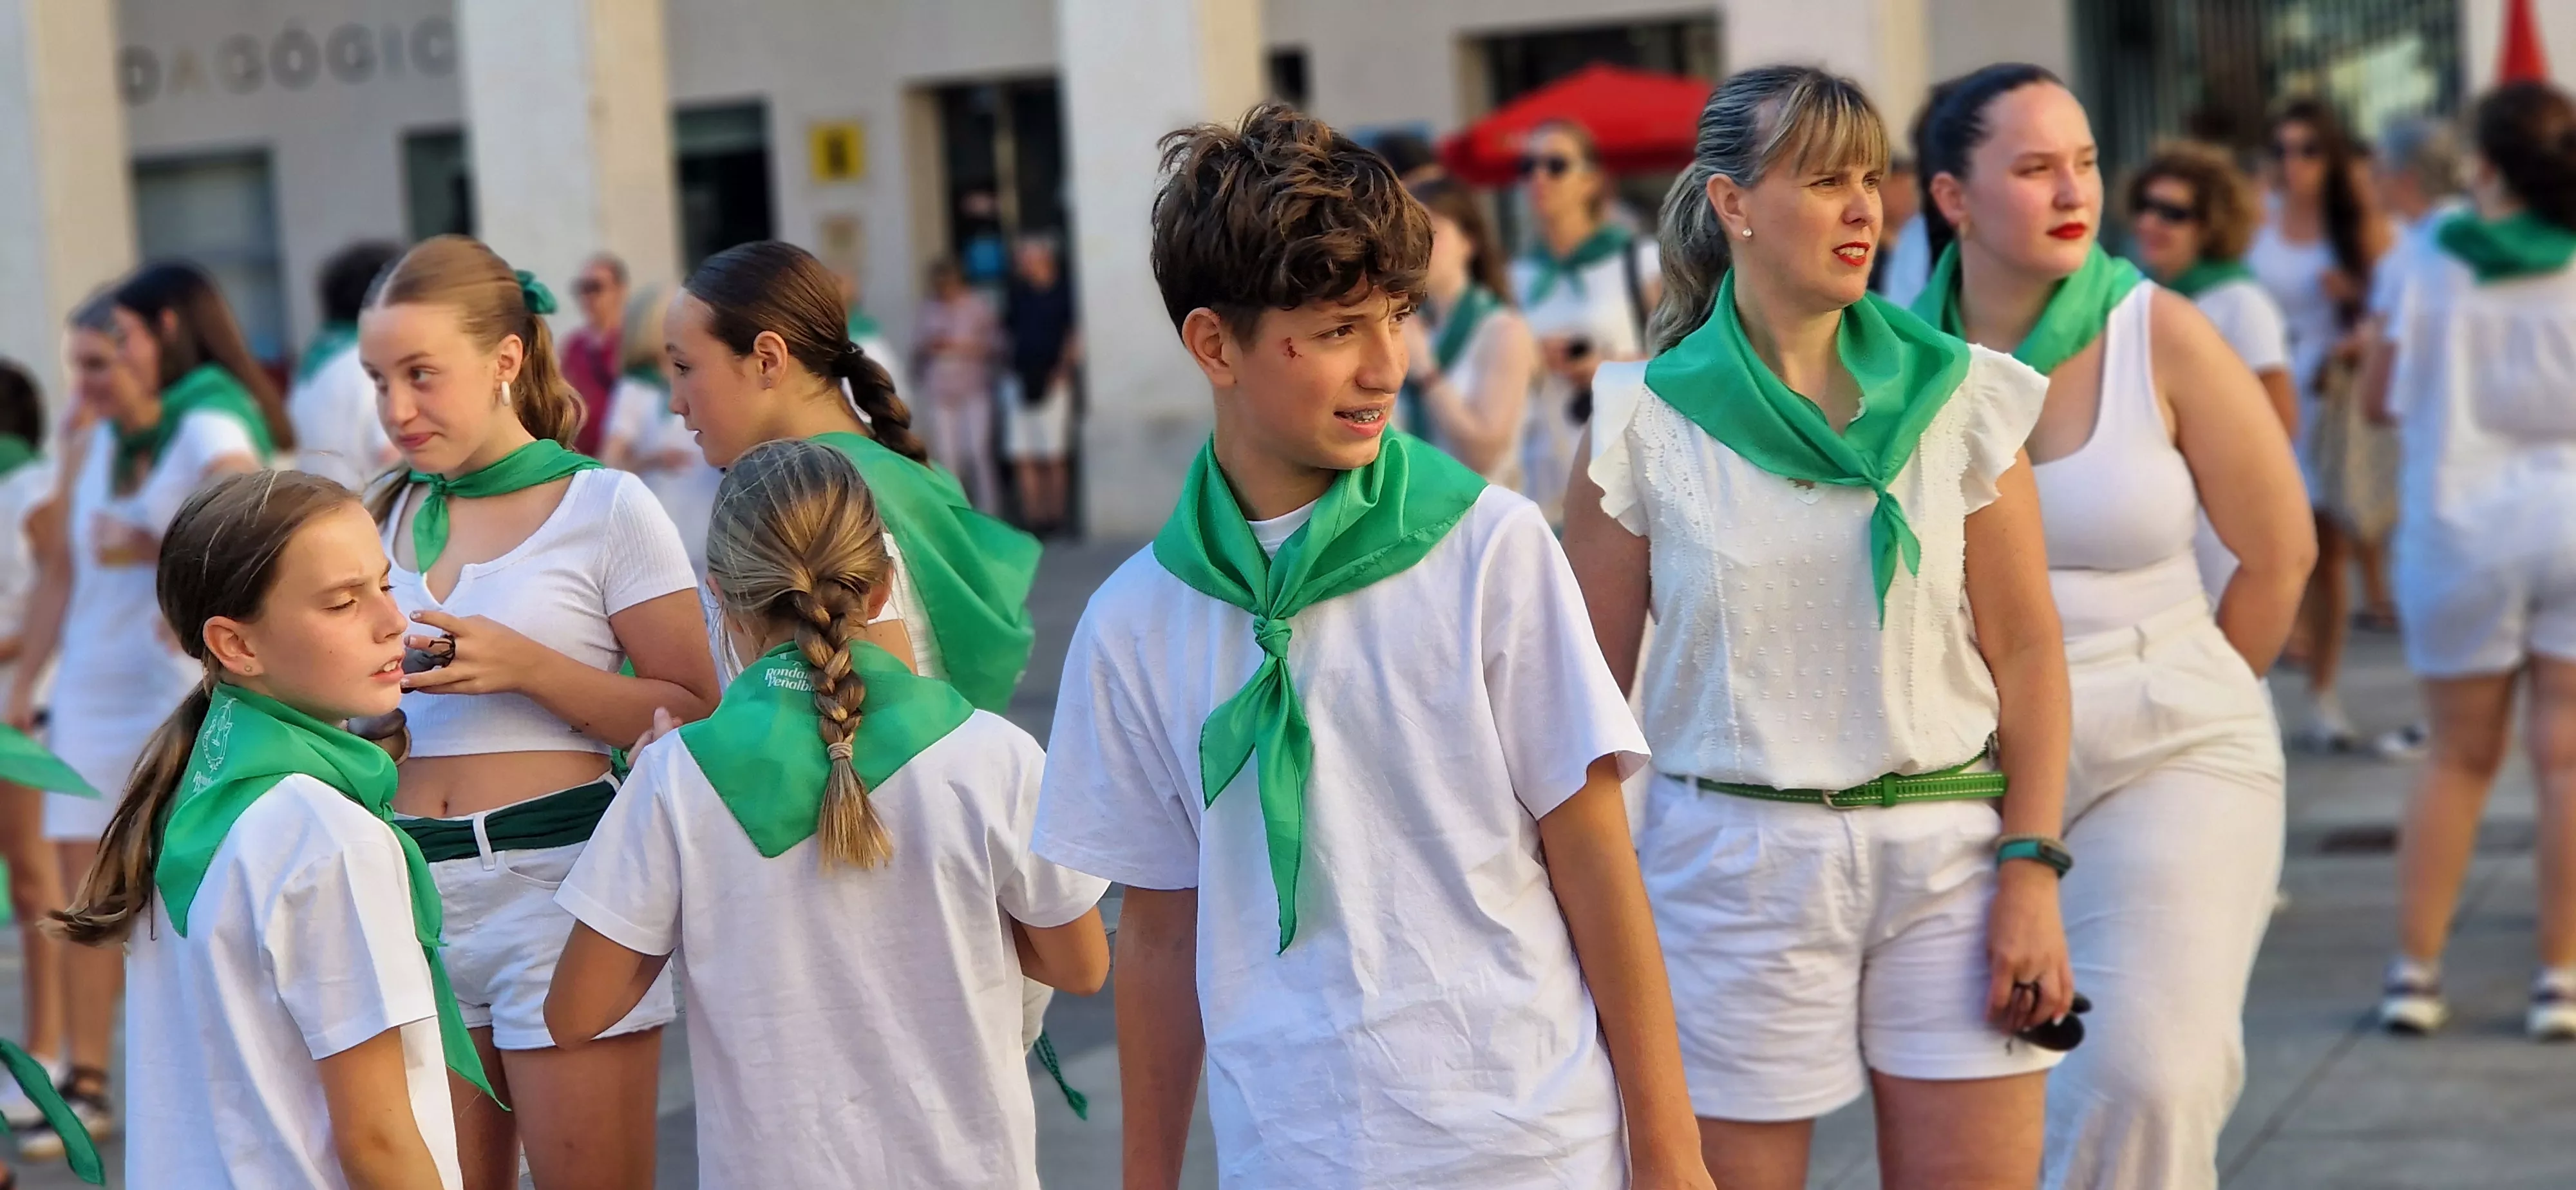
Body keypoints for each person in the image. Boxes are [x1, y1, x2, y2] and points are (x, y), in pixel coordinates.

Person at [1034, 102, 1709, 1189]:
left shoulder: (1487, 545)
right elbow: (1161, 933)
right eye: (1340, 328)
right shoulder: (1135, 620)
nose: (1387, 364)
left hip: (1532, 1143)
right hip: (1292, 1154)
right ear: (1215, 343)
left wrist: (1671, 1149)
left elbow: (1594, 852)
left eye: (1397, 313)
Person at [1563, 65, 2070, 1188]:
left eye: (1870, 178)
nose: (1863, 209)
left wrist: (2033, 869)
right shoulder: (1641, 423)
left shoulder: (1961, 394)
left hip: (1954, 857)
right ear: (1731, 202)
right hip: (1731, 870)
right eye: (1823, 179)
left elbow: (2029, 651)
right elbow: (1578, 713)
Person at [1913, 64, 2313, 1189]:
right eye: (2034, 167)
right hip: (1966, 767)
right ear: (1954, 196)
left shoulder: (2158, 330)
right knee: (1978, 1104)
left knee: (2149, 1075)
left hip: (2170, 742)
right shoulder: (1892, 360)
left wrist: (2190, 685)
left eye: (2083, 161)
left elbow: (2281, 552)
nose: (2071, 189)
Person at [546, 439, 1110, 1186]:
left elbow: (575, 1014)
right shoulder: (994, 756)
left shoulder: (677, 779)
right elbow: (1080, 966)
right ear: (880, 590)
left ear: (720, 594)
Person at [360, 235, 719, 1189]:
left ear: (505, 360)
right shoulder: (378, 511)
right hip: (409, 893)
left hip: (562, 885)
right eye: (378, 379)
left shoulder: (604, 506)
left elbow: (693, 707)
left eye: (421, 375)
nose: (397, 408)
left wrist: (527, 667)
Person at [53, 469, 472, 1187]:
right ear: (237, 646)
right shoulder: (327, 837)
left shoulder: (192, 793)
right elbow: (377, 1141)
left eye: (383, 584)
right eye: (343, 602)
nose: (391, 622)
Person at [3, 264, 289, 1158]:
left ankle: (229, 1080)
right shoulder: (95, 442)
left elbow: (250, 511)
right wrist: (22, 694)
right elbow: (58, 575)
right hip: (90, 689)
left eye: (99, 359)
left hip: (173, 696)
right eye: (77, 365)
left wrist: (165, 544)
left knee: (191, 886)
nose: (85, 383)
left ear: (149, 343)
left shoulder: (203, 420)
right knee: (84, 890)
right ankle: (85, 1084)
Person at [2372, 81, 2576, 1043]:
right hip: (2570, 518)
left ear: (2484, 165)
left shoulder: (2428, 251)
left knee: (2456, 757)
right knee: (2567, 761)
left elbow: (2382, 395)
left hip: (2459, 527)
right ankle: (2560, 981)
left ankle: (2416, 973)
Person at [666, 239, 1042, 715]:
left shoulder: (816, 501)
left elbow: (873, 718)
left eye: (684, 368)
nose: (675, 401)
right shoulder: (904, 472)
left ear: (767, 359)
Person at [2251, 99, 2389, 751]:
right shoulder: (2258, 222)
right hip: (2257, 392)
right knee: (2262, 541)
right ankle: (2269, 673)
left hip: (2323, 397)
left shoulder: (2354, 225)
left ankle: (2322, 692)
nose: (2293, 163)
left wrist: (2354, 314)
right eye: (2282, 149)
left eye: (2307, 149)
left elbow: (2388, 314)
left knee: (2325, 551)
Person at [1511, 118, 1662, 524]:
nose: (1539, 178)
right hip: (1543, 477)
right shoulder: (1519, 278)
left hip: (1624, 472)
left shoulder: (1641, 262)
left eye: (1556, 165)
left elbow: (1688, 360)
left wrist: (1608, 367)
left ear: (1591, 181)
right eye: (1528, 167)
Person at [0, 362, 70, 1144]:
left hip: (27, 711)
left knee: (34, 883)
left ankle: (48, 1054)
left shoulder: (36, 489)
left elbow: (66, 592)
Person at [1401, 178, 1535, 483]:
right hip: (1414, 514)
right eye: (1409, 235)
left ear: (1469, 242)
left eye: (1432, 233)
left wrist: (1426, 371)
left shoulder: (1503, 329)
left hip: (1480, 515)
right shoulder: (1408, 324)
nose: (1418, 247)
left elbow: (1485, 454)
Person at [602, 285, 721, 571]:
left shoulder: (708, 376)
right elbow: (609, 463)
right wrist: (651, 460)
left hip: (711, 529)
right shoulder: (636, 388)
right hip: (659, 531)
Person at [291, 241, 404, 491]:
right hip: (372, 516)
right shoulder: (371, 361)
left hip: (324, 507)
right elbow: (395, 457)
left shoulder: (318, 359)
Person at [1002, 233, 1080, 536]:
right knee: (1024, 453)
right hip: (1019, 379)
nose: (1022, 264)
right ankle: (1034, 520)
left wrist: (1063, 369)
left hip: (1053, 379)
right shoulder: (1016, 293)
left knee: (1053, 452)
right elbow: (1007, 333)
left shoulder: (1063, 293)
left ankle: (1055, 517)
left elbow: (1072, 333)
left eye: (1027, 257)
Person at [913, 258, 1004, 513]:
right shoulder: (928, 309)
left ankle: (990, 512)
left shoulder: (977, 306)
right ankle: (960, 511)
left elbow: (997, 345)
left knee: (977, 452)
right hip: (939, 390)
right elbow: (918, 349)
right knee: (947, 457)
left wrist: (961, 347)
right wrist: (929, 347)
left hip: (973, 388)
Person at [558, 253, 629, 457]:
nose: (587, 297)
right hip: (584, 457)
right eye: (582, 289)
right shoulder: (574, 346)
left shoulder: (632, 344)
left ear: (620, 291)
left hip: (627, 459)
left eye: (595, 287)